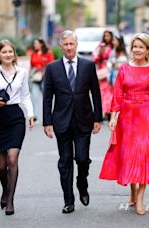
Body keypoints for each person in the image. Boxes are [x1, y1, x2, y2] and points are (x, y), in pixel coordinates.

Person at [99, 33, 149, 215]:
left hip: (148, 115)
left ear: (148, 50)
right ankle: (132, 190)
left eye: (141, 47)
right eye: (135, 47)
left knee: (144, 154)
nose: (137, 50)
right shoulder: (124, 68)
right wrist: (113, 117)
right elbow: (117, 94)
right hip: (128, 117)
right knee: (130, 156)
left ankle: (140, 198)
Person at [43, 30, 102, 213]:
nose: (69, 47)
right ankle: (68, 200)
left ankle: (82, 183)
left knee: (82, 159)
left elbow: (96, 93)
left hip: (84, 120)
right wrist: (47, 122)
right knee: (65, 161)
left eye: (71, 44)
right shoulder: (52, 68)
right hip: (61, 121)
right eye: (65, 44)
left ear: (77, 45)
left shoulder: (88, 66)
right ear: (61, 46)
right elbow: (47, 97)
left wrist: (98, 118)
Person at [0, 39, 35, 215]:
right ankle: (5, 189)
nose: (8, 55)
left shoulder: (22, 72)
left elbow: (25, 95)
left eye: (10, 52)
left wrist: (31, 114)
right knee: (2, 165)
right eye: (4, 52)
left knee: (12, 159)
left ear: (14, 54)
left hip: (16, 117)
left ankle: (10, 199)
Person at [29, 38, 54, 120]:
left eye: (36, 43)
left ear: (41, 44)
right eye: (34, 44)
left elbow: (52, 65)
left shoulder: (48, 53)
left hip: (45, 78)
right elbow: (31, 65)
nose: (34, 45)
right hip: (35, 78)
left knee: (47, 98)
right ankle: (35, 115)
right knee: (34, 97)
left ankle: (49, 115)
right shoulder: (33, 54)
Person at [92, 30, 114, 120]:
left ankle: (110, 112)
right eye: (105, 36)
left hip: (111, 72)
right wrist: (100, 53)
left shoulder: (113, 46)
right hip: (102, 72)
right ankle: (103, 112)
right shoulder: (100, 46)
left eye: (108, 36)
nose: (107, 38)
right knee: (102, 93)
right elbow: (94, 58)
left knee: (111, 93)